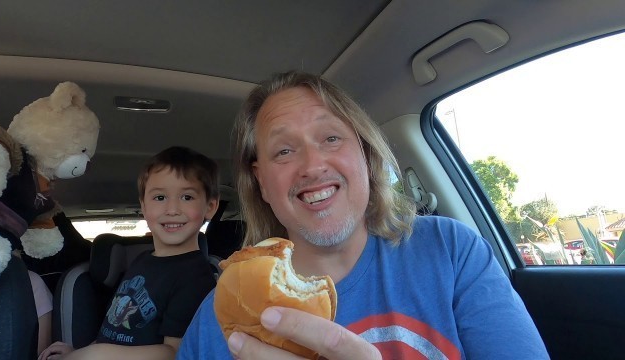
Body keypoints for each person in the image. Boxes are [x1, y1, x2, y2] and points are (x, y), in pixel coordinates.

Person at [176, 72, 550, 359]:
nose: (313, 165)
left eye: (331, 138)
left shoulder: (450, 250)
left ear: (365, 155)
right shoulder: (223, 314)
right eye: (284, 151)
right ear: (260, 181)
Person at [39, 146, 219, 360]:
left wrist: (93, 355)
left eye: (187, 197)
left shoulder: (197, 278)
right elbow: (114, 329)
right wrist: (81, 352)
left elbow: (175, 352)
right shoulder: (143, 261)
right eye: (160, 198)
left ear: (210, 207)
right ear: (143, 206)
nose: (172, 209)